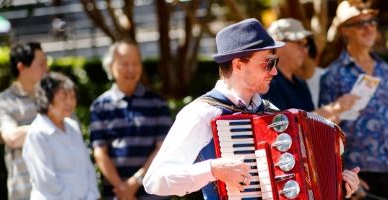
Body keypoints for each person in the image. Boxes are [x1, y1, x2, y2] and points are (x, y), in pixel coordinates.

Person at [143, 18, 360, 199]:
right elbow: (154, 181)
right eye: (268, 63)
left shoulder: (271, 112)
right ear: (238, 65)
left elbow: (300, 177)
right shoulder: (202, 113)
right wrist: (212, 170)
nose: (274, 72)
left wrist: (339, 184)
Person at [320, 1, 388, 200]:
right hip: (359, 176)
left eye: (371, 22)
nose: (369, 28)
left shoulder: (385, 70)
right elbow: (325, 133)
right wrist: (344, 173)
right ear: (345, 31)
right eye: (360, 24)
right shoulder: (333, 75)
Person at [89, 41, 172, 200]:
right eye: (124, 64)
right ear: (110, 67)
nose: (131, 69)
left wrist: (135, 183)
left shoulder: (158, 103)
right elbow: (100, 152)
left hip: (154, 193)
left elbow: (163, 148)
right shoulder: (100, 106)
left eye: (136, 63)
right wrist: (122, 189)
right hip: (116, 194)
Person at [263, 18, 358, 123]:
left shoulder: (300, 82)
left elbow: (309, 121)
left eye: (306, 45)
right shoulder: (268, 82)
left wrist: (330, 122)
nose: (305, 51)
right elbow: (284, 124)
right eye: (299, 43)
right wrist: (336, 107)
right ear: (278, 44)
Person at [22, 72, 100, 199]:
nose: (70, 102)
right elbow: (46, 181)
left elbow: (87, 168)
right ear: (47, 99)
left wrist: (91, 196)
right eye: (64, 97)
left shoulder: (73, 127)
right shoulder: (37, 134)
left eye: (72, 96)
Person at [0, 42, 48, 200]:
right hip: (25, 194)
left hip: (59, 191)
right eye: (41, 64)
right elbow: (13, 138)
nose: (46, 68)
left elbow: (70, 130)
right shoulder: (2, 101)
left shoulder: (52, 97)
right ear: (21, 67)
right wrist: (52, 127)